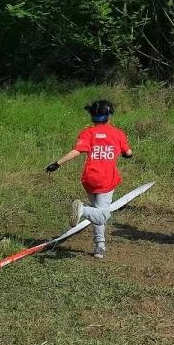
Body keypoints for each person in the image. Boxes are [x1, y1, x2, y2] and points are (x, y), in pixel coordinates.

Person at [45, 98, 133, 259]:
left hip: (89, 179)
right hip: (106, 180)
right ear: (109, 115)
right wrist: (126, 153)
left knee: (97, 211)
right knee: (102, 215)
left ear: (92, 116)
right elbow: (128, 153)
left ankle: (100, 245)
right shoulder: (118, 134)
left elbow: (77, 151)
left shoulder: (87, 133)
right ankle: (82, 210)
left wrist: (57, 163)